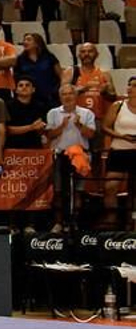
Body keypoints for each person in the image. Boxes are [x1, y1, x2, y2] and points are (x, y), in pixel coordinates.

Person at [44, 83, 98, 231]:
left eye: (70, 94)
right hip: (59, 156)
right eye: (64, 94)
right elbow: (49, 135)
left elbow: (91, 134)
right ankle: (58, 223)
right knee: (58, 190)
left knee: (77, 191)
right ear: (60, 97)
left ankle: (74, 222)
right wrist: (62, 126)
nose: (67, 97)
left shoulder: (86, 113)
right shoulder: (53, 113)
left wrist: (79, 124)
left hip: (80, 157)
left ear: (76, 96)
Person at [101, 77, 136, 216]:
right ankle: (111, 219)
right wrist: (121, 136)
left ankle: (131, 221)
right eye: (129, 85)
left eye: (134, 86)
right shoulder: (118, 105)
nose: (130, 88)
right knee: (110, 186)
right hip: (119, 151)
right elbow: (105, 127)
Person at [4, 76, 51, 149]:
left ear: (33, 89)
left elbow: (42, 130)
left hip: (34, 147)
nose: (24, 87)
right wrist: (31, 127)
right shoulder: (8, 106)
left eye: (27, 85)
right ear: (16, 90)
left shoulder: (40, 106)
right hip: (13, 147)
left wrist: (40, 128)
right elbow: (7, 130)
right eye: (21, 85)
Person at [13, 33, 62, 99]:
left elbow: (60, 74)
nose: (25, 42)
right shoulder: (20, 59)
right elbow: (17, 77)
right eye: (24, 40)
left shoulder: (49, 57)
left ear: (37, 43)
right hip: (30, 96)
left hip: (50, 94)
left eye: (28, 40)